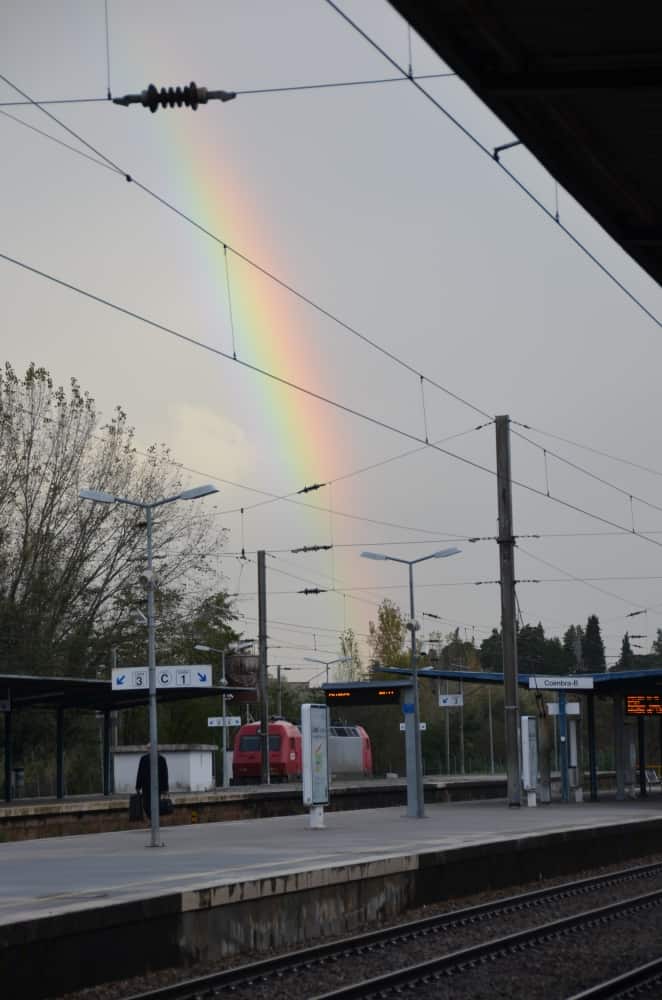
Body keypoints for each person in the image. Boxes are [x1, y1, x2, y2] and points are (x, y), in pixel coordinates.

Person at [135, 744, 169, 819]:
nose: (148, 750)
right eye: (148, 748)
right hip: (146, 786)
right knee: (146, 805)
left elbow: (164, 774)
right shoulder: (143, 759)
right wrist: (138, 786)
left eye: (150, 748)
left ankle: (154, 820)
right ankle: (152, 819)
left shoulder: (161, 759)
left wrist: (165, 789)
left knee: (156, 804)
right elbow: (140, 773)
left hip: (158, 786)